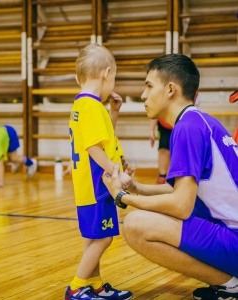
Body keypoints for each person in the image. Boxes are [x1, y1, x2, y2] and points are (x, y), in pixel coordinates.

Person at [102, 53, 238, 300]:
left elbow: (180, 205)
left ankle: (230, 286)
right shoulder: (198, 121)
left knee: (135, 226)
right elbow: (179, 191)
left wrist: (122, 197)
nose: (143, 95)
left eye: (149, 86)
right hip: (231, 236)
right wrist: (136, 187)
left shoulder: (187, 127)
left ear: (171, 89)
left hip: (234, 241)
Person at [66, 43, 133, 300]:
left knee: (94, 238)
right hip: (98, 187)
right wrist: (117, 173)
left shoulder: (83, 105)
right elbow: (94, 147)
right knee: (104, 239)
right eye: (113, 77)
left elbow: (102, 139)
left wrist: (113, 113)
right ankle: (75, 287)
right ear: (107, 73)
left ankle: (93, 284)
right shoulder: (92, 107)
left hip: (87, 187)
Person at [149, 118, 172, 184]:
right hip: (164, 124)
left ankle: (173, 176)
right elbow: (155, 112)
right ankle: (162, 175)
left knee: (178, 150)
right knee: (163, 148)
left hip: (178, 123)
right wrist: (151, 130)